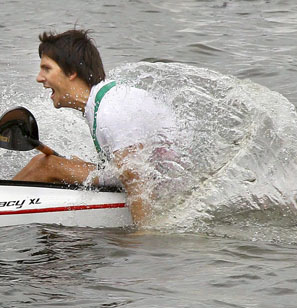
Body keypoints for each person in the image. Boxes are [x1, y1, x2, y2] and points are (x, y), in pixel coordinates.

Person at [13, 29, 178, 225]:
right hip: (157, 175)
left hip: (167, 185)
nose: (39, 78)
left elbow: (135, 177)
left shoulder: (111, 110)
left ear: (72, 72)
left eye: (47, 69)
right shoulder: (101, 101)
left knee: (45, 165)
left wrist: (141, 237)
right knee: (47, 163)